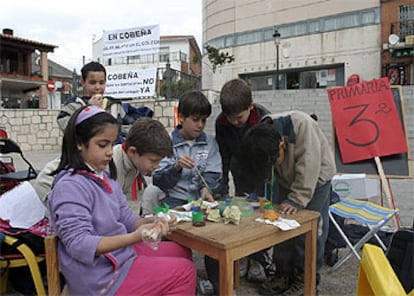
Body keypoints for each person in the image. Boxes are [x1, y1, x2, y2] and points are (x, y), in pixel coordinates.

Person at [48, 105, 196, 295]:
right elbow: (79, 245)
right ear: (79, 143)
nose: (110, 152)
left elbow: (126, 218)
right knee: (184, 272)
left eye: (111, 144)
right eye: (102, 145)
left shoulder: (104, 175)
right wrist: (135, 237)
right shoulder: (70, 186)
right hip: (99, 276)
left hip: (117, 257)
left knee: (181, 252)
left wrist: (154, 220)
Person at [240, 110, 336, 295]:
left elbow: (309, 167)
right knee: (281, 227)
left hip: (316, 181)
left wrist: (297, 199)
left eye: (274, 162)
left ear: (282, 145)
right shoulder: (261, 134)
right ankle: (283, 274)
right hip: (288, 181)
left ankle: (305, 280)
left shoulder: (301, 126)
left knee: (307, 231)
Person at [33, 117, 172, 216]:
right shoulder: (108, 166)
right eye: (153, 161)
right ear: (133, 152)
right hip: (49, 184)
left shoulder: (132, 163)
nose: (156, 166)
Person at [148, 90, 222, 209]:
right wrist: (176, 168)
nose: (200, 125)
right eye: (195, 119)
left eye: (203, 120)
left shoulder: (210, 142)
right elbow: (158, 180)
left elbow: (214, 173)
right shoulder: (167, 142)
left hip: (201, 199)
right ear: (181, 117)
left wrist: (205, 188)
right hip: (174, 200)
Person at [215, 78, 270, 197]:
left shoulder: (264, 120)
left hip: (263, 172)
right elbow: (224, 156)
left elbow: (269, 158)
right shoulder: (221, 122)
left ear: (250, 105)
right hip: (240, 171)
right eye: (230, 117)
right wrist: (223, 187)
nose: (235, 122)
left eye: (239, 117)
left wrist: (260, 189)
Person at [56, 61, 125, 142]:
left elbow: (123, 130)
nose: (97, 87)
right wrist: (88, 110)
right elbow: (69, 130)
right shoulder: (72, 106)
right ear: (83, 82)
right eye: (92, 83)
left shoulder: (114, 105)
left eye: (101, 83)